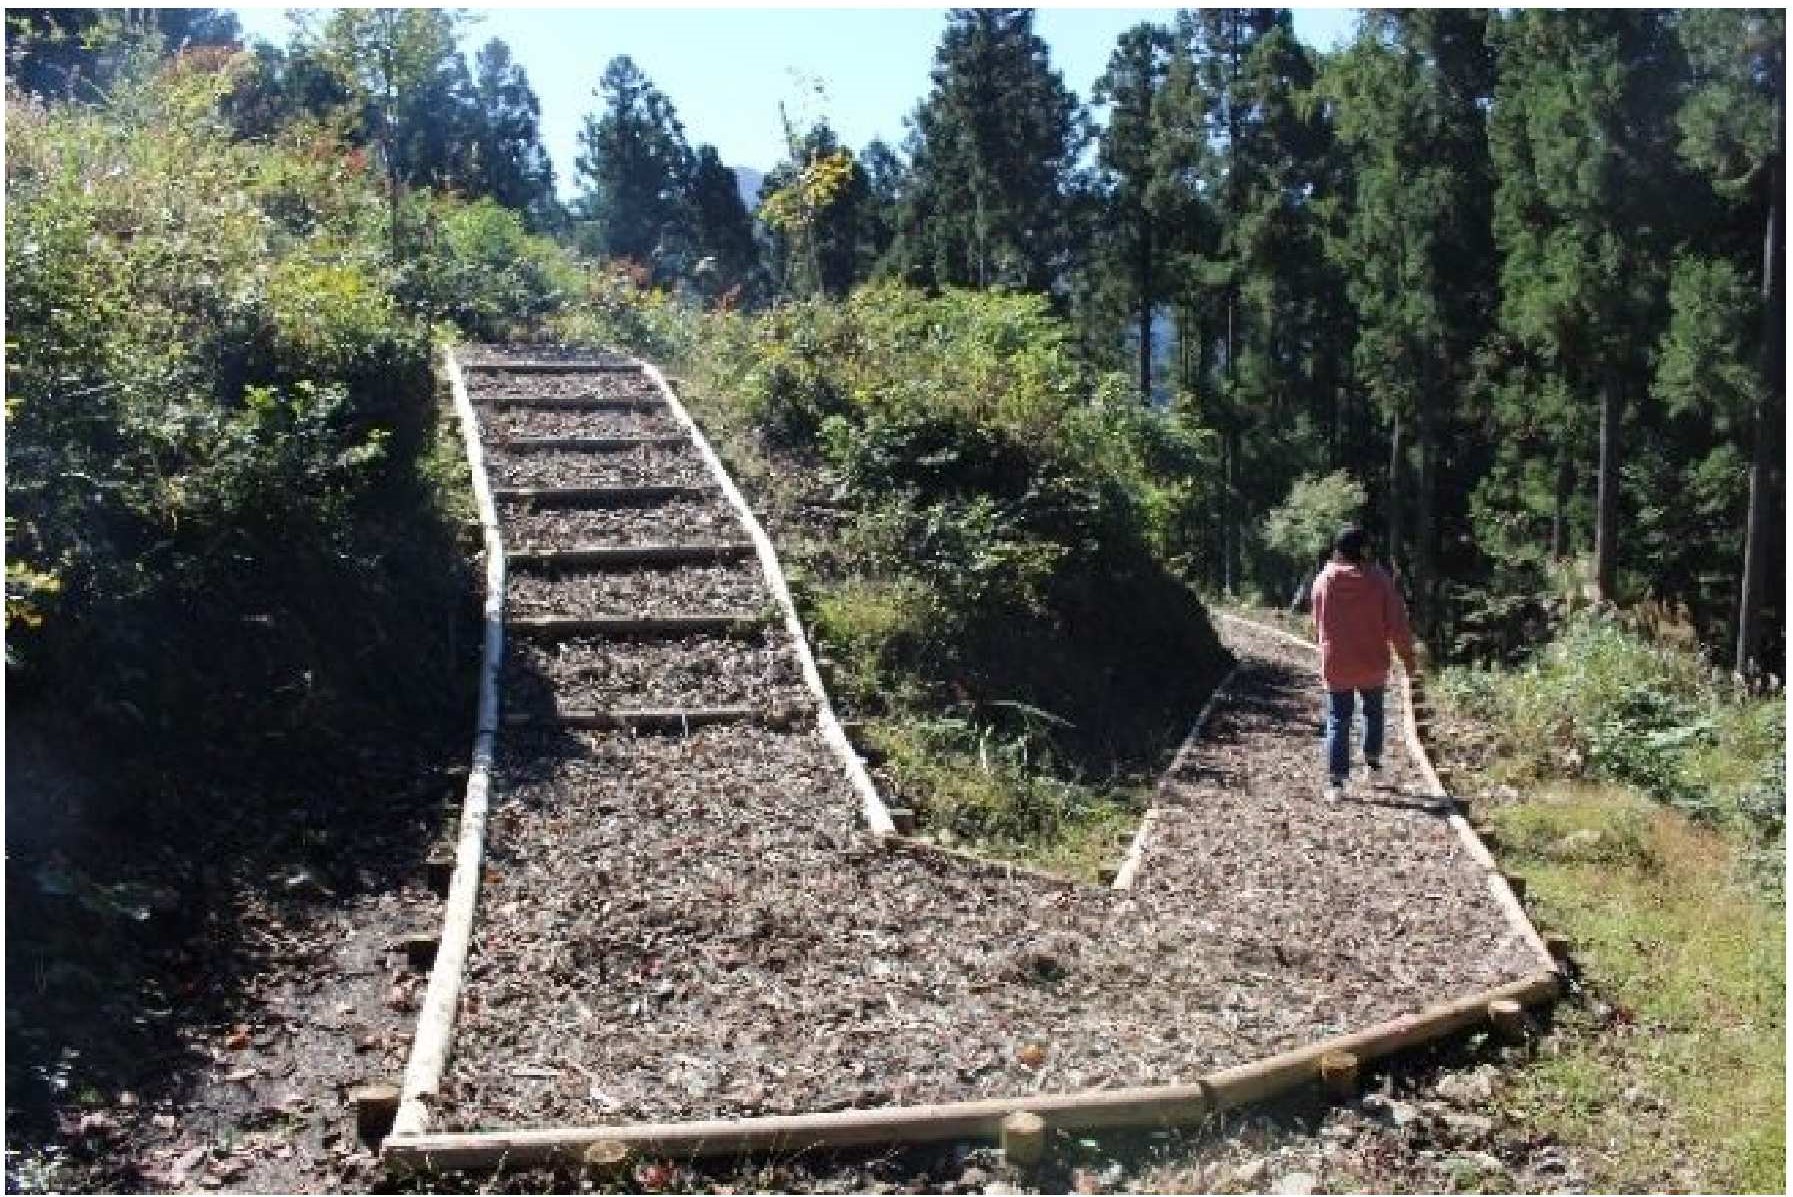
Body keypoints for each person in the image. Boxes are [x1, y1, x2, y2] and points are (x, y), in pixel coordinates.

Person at [1309, 525, 1418, 799]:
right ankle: (1372, 765)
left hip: (1338, 663)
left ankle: (1336, 783)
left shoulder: (1324, 581)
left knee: (1338, 719)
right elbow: (1397, 623)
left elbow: (1318, 622)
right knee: (1374, 711)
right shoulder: (1379, 580)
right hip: (1372, 661)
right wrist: (1407, 657)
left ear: (1338, 550)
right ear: (1364, 551)